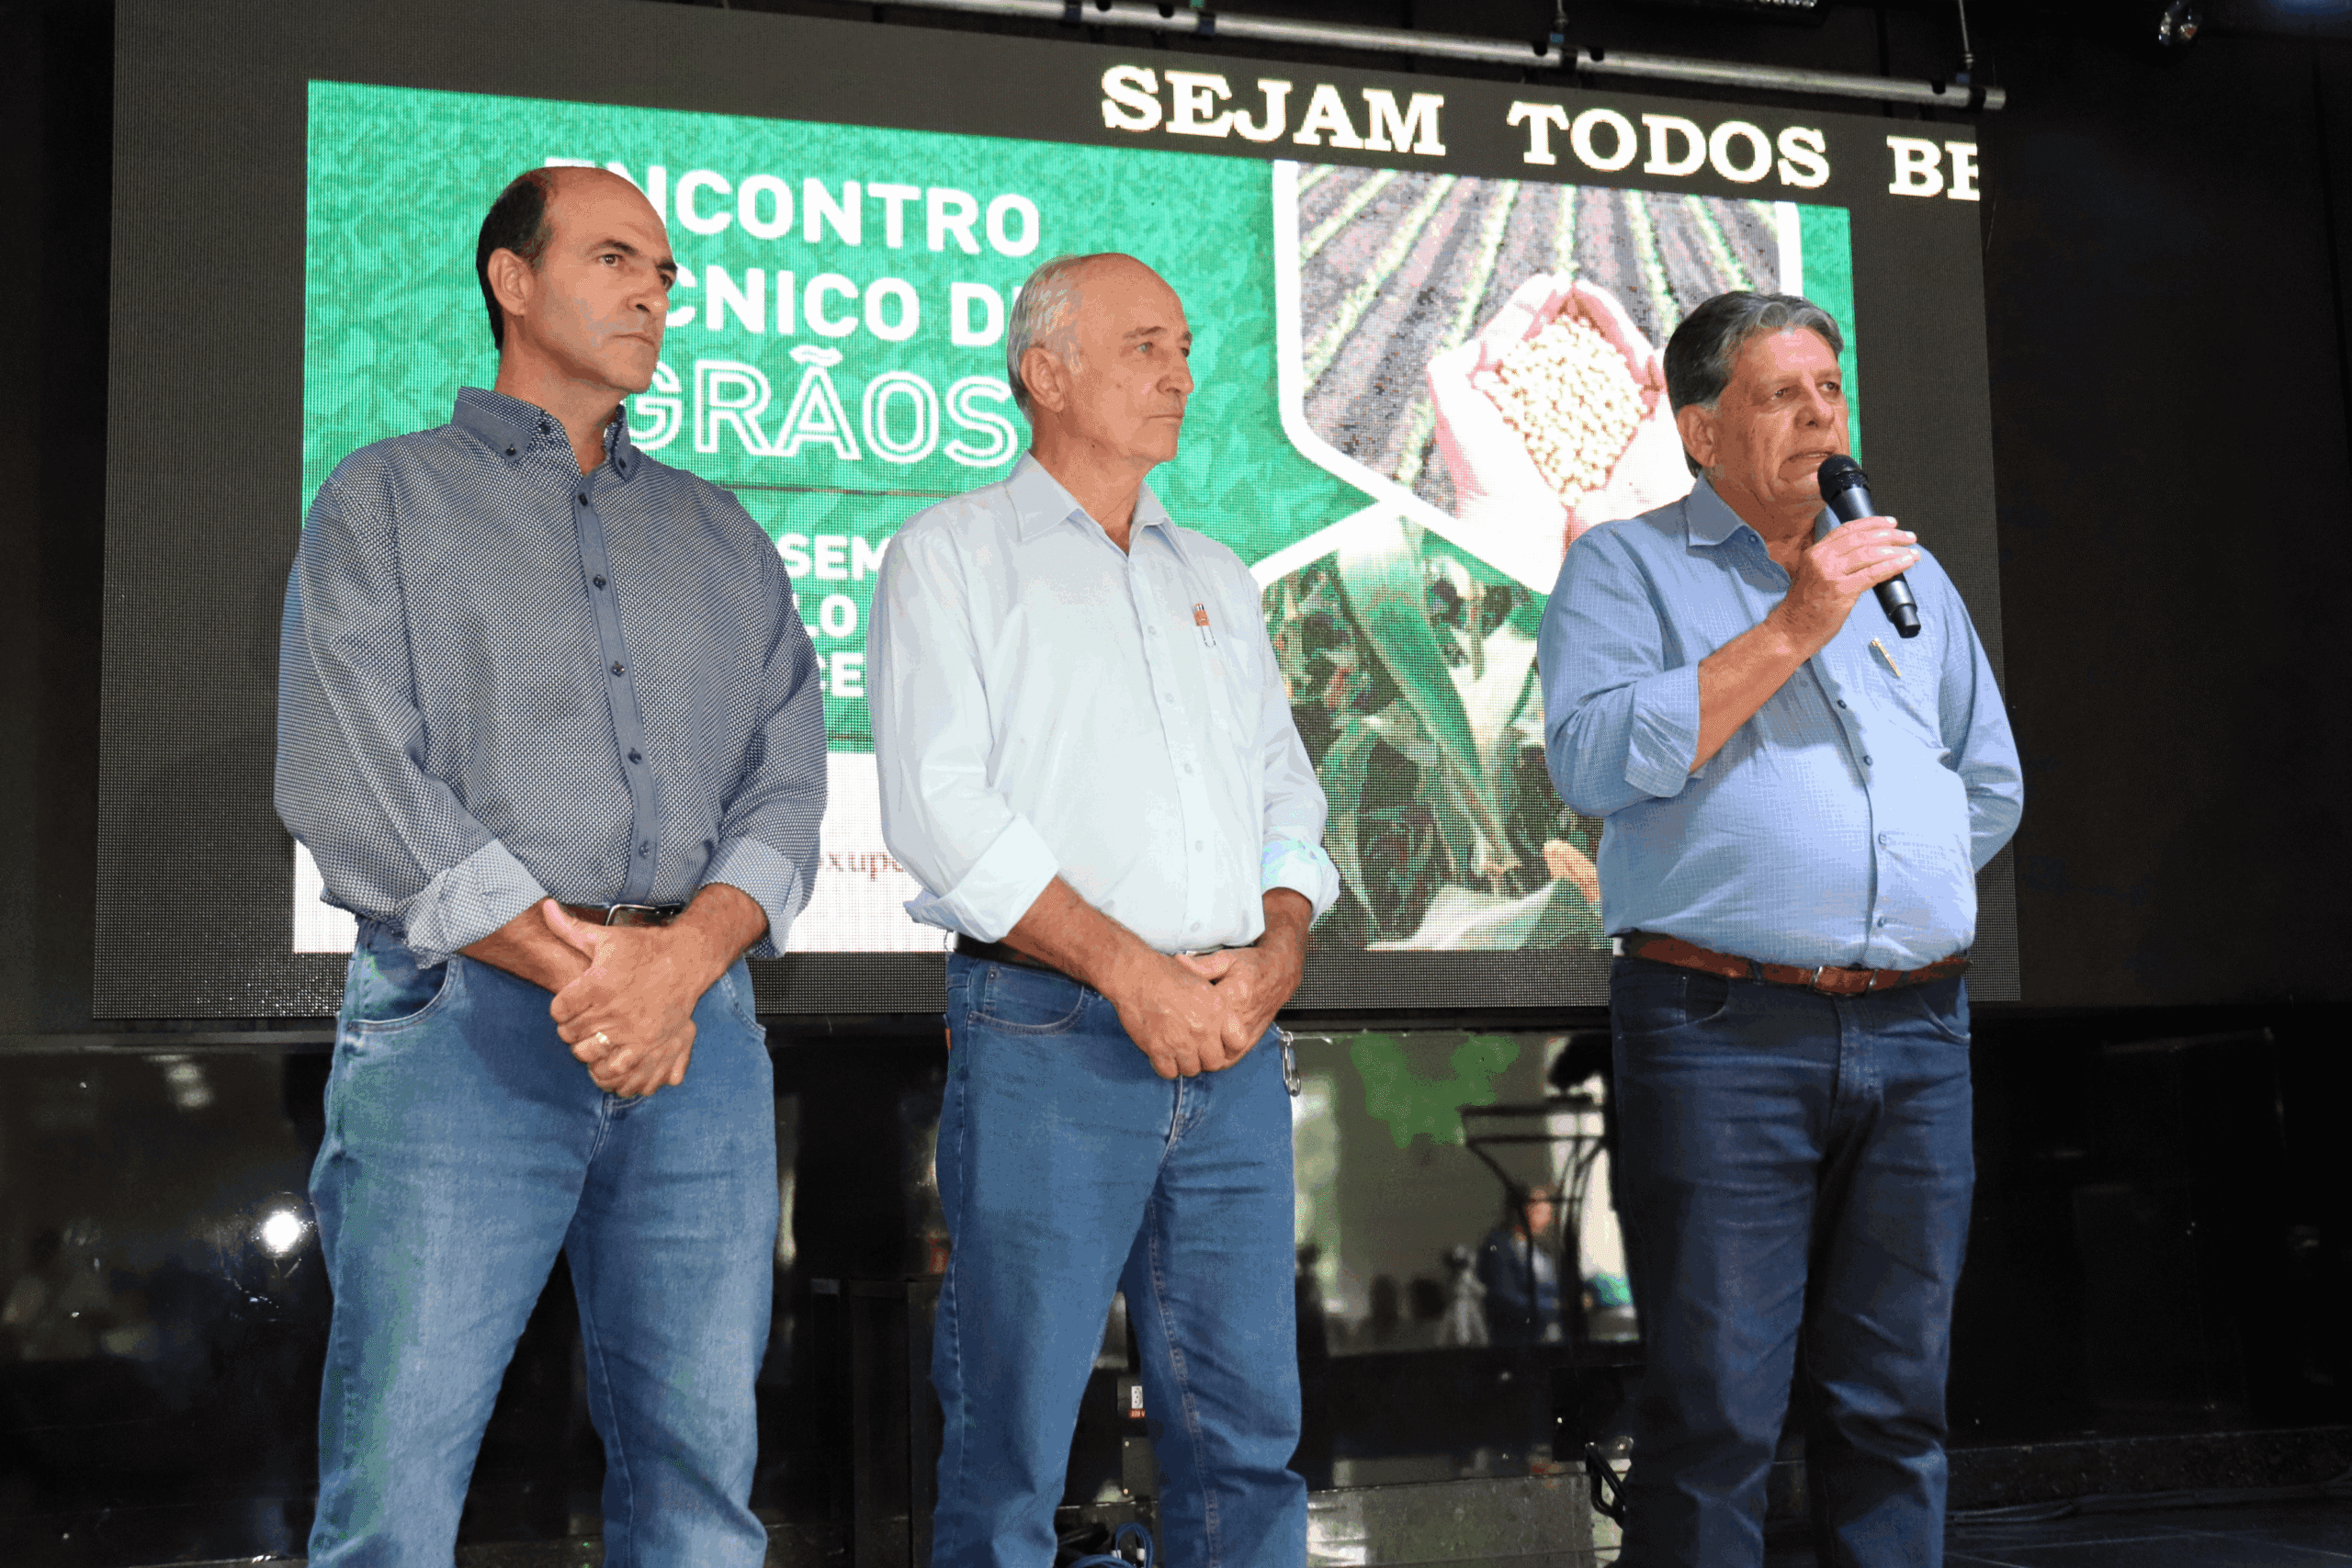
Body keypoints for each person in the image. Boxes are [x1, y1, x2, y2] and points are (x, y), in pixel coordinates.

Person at [277, 165, 825, 1566]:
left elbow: (788, 771)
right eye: (614, 257)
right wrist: (595, 973)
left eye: (667, 270)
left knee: (704, 1487)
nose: (655, 288)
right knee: (395, 1491)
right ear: (511, 282)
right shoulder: (385, 498)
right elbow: (350, 771)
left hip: (698, 1039)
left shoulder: (723, 533)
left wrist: (678, 967)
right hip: (465, 1026)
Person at [867, 252, 1339, 1568]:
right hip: (1048, 1035)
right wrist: (1135, 971)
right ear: (1045, 372)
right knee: (1012, 1439)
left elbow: (1286, 795)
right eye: (1145, 345)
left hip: (1234, 1042)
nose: (1182, 371)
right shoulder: (951, 554)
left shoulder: (1222, 576)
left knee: (1247, 1437)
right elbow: (940, 810)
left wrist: (1278, 949)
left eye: (1185, 344)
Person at [1537, 291, 2022, 1567]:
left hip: (1917, 1025)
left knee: (1898, 1403)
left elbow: (1988, 779)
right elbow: (1591, 760)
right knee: (1717, 1411)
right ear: (1702, 428)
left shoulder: (1908, 575)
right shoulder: (1626, 565)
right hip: (1722, 1028)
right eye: (1780, 393)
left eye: (1831, 390)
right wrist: (1798, 619)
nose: (1820, 415)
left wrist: (1879, 898)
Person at [1475, 1187, 1562, 1348]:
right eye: (1540, 1210)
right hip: (1518, 1341)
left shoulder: (1541, 1250)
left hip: (1547, 1337)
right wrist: (1556, 1309)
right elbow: (1503, 1298)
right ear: (1523, 1210)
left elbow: (1552, 1287)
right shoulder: (1499, 1247)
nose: (1547, 1217)